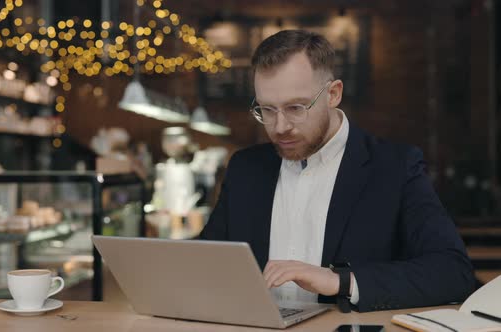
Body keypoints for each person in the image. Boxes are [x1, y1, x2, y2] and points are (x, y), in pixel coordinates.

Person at [199, 29, 474, 313]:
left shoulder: (395, 167)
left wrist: (340, 281)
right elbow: (204, 261)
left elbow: (453, 272)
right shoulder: (246, 168)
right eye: (267, 110)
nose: (280, 126)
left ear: (333, 94)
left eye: (295, 107)